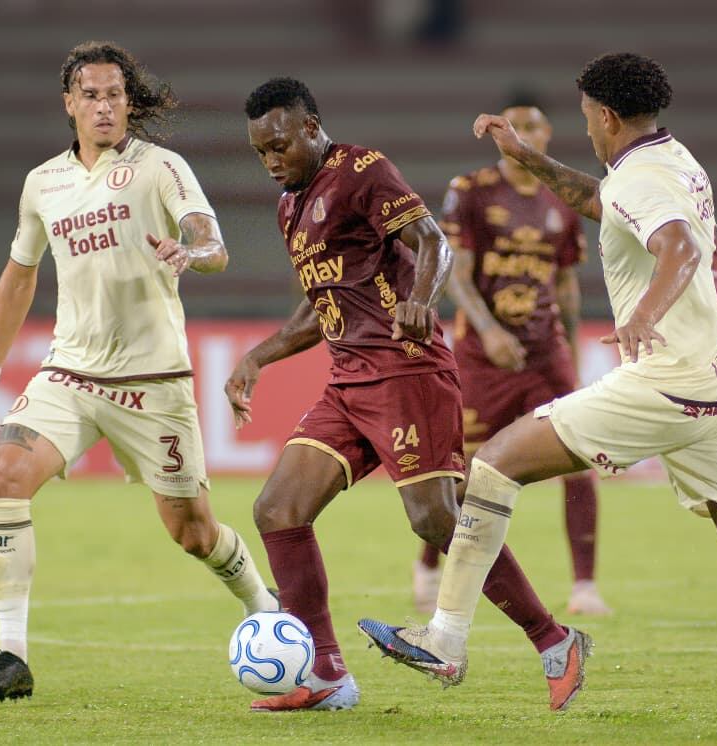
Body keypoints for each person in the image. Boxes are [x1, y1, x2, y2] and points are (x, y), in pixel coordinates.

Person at [359, 53, 717, 718]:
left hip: (667, 381)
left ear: (605, 115)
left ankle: (446, 637)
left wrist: (641, 314)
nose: (583, 129)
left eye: (585, 117)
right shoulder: (672, 161)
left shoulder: (641, 180)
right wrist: (530, 158)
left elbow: (681, 249)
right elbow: (601, 201)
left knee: (492, 467)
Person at [229, 77, 590, 713]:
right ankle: (327, 674)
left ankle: (554, 641)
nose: (272, 160)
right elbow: (323, 308)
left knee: (436, 518)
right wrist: (258, 358)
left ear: (312, 127)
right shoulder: (290, 208)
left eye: (280, 145)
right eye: (261, 152)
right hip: (346, 382)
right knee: (277, 510)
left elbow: (432, 241)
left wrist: (420, 298)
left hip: (406, 370)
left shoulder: (362, 170)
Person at [0, 41, 278, 704]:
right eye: (91, 95)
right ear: (70, 104)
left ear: (130, 104)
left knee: (192, 530)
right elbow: (19, 276)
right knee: (5, 474)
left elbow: (210, 241)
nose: (103, 105)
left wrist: (190, 250)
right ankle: (12, 654)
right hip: (69, 373)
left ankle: (263, 605)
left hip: (154, 383)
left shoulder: (160, 168)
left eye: (114, 95)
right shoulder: (43, 183)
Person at [412, 95, 609, 617]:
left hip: (547, 354)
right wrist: (489, 330)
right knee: (466, 468)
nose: (524, 133)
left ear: (545, 137)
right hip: (483, 354)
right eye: (515, 124)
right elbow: (457, 271)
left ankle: (584, 586)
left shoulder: (562, 198)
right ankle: (429, 567)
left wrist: (571, 343)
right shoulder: (471, 191)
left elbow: (566, 282)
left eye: (533, 126)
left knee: (580, 459)